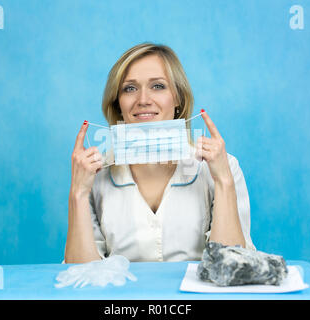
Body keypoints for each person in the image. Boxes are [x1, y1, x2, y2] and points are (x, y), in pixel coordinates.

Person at [64, 43, 255, 263]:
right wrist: (78, 192)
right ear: (118, 104)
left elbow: (230, 268)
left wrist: (223, 180)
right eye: (130, 88)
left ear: (178, 98)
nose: (143, 100)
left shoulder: (222, 168)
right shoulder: (94, 176)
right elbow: (80, 277)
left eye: (157, 86)